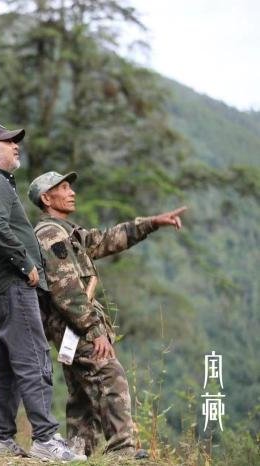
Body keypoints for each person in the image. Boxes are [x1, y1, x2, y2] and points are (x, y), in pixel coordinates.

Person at [28, 170, 186, 459]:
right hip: (73, 325)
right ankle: (121, 450)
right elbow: (66, 289)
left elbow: (108, 239)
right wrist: (93, 329)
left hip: (71, 326)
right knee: (109, 373)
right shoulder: (50, 234)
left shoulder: (67, 232)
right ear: (47, 198)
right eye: (63, 188)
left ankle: (78, 452)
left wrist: (151, 223)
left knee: (82, 391)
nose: (71, 191)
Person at [0, 124, 86, 462]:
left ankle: (2, 438)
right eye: (9, 142)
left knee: (8, 365)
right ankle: (46, 439)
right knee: (34, 358)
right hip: (12, 284)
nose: (16, 146)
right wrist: (25, 264)